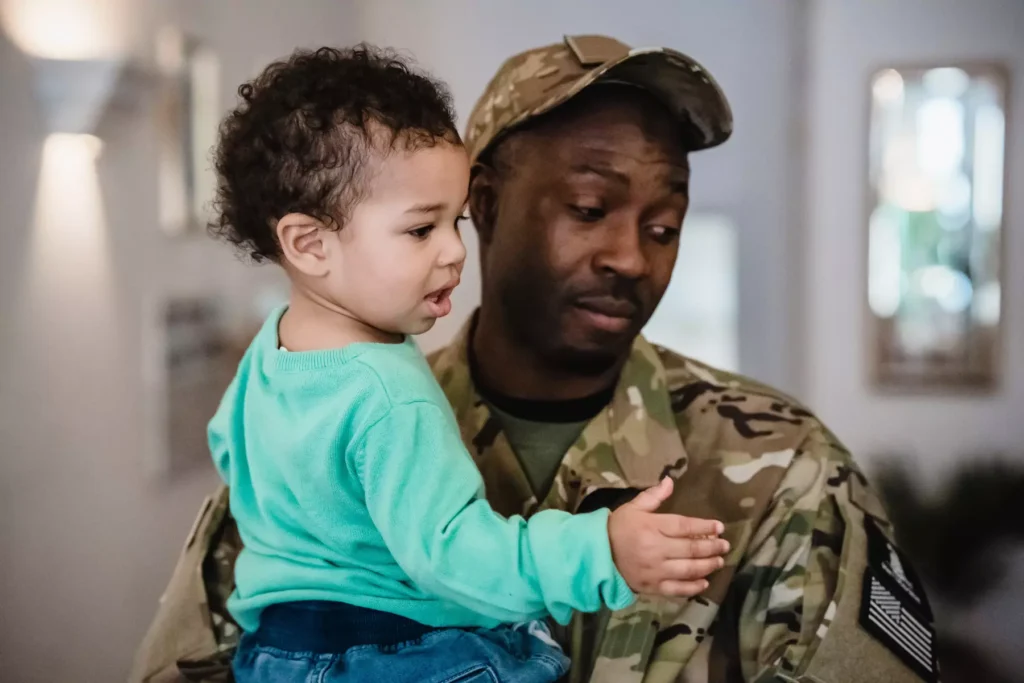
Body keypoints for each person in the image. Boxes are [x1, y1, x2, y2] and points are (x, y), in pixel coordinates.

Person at [131, 35, 938, 683]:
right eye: (589, 208)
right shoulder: (356, 425)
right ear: (481, 202)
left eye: (664, 226)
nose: (631, 255)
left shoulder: (784, 464)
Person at [198, 44, 730, 683]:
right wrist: (602, 551)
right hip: (402, 656)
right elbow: (452, 556)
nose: (455, 251)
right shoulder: (393, 396)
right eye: (422, 229)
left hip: (275, 655)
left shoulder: (272, 352)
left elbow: (231, 448)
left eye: (457, 221)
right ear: (310, 244)